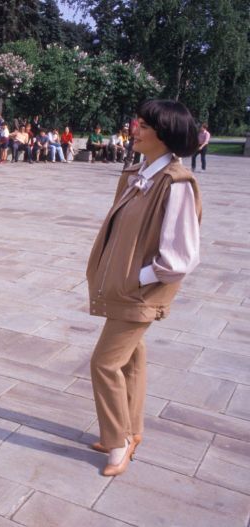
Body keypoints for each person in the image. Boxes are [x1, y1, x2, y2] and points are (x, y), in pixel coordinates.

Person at [86, 99, 201, 477]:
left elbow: (181, 257)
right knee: (131, 361)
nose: (135, 128)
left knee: (104, 364)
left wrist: (137, 278)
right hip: (125, 289)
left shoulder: (176, 183)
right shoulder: (140, 175)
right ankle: (131, 432)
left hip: (139, 294)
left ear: (164, 136)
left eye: (145, 125)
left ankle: (117, 444)